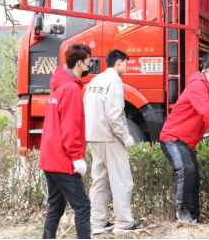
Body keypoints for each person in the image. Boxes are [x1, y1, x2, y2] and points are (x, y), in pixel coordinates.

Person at [160, 56, 209, 223]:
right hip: (173, 138)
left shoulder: (207, 87)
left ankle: (193, 217)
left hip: (186, 143)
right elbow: (206, 112)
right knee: (187, 170)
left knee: (194, 177)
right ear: (207, 72)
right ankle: (182, 212)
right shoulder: (198, 85)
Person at [83, 49, 143, 234]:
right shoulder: (115, 80)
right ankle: (124, 224)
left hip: (94, 136)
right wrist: (126, 137)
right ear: (119, 62)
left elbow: (86, 103)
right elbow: (114, 115)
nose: (126, 67)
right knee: (122, 180)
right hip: (110, 137)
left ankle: (98, 223)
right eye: (125, 63)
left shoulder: (95, 80)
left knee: (99, 181)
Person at [39, 43, 92, 239]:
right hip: (63, 159)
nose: (89, 66)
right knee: (82, 206)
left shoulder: (59, 86)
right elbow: (70, 127)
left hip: (49, 157)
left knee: (57, 205)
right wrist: (76, 156)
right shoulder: (70, 89)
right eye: (88, 62)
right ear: (79, 63)